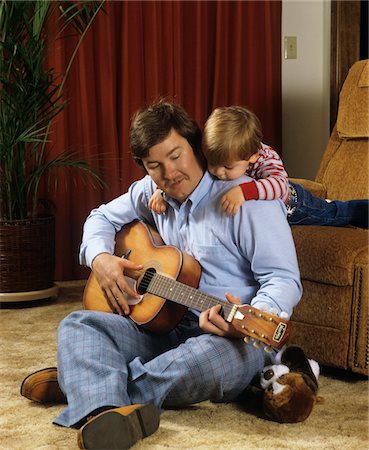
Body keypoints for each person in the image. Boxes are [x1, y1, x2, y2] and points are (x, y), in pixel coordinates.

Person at [20, 100, 302, 449]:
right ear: (144, 166)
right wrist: (101, 259)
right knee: (79, 325)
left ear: (196, 145)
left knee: (206, 363)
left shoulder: (246, 201)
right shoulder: (151, 192)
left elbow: (283, 278)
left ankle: (90, 390)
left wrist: (241, 321)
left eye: (176, 156)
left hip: (230, 337)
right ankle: (105, 406)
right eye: (155, 165)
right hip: (162, 326)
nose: (169, 173)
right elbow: (100, 218)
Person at [149, 105, 368, 228]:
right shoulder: (220, 158)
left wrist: (244, 191)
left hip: (295, 204)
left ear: (252, 157)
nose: (217, 171)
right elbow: (191, 176)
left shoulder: (266, 158)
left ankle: (362, 209)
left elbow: (279, 186)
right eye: (211, 162)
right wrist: (163, 192)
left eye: (227, 167)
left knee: (334, 213)